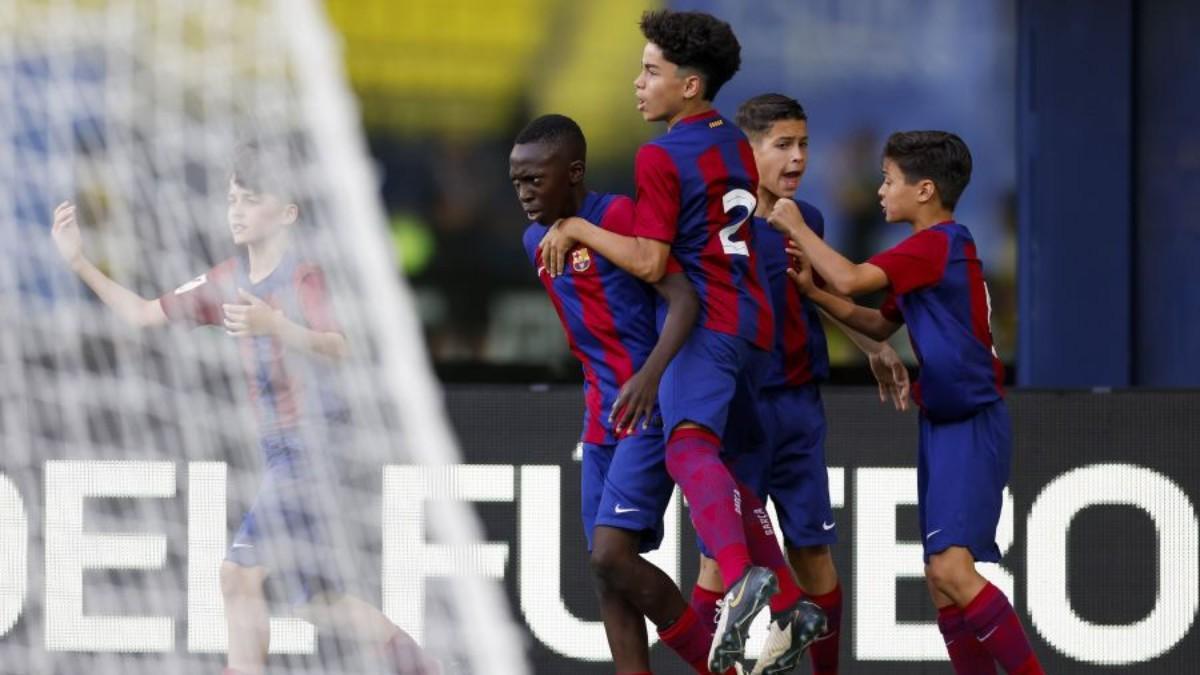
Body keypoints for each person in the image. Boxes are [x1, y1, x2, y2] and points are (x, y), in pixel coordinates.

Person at [50, 140, 436, 675]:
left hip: (316, 444)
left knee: (237, 576)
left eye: (251, 200)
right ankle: (424, 668)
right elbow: (141, 315)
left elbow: (339, 345)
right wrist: (78, 262)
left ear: (287, 213)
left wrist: (275, 325)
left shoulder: (304, 276)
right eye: (232, 199)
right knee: (315, 601)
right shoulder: (224, 280)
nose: (236, 210)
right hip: (278, 450)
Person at [538, 10, 814, 672]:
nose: (638, 83)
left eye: (651, 71)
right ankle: (788, 604)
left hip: (710, 323)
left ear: (689, 86)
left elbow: (651, 261)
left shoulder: (659, 154)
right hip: (755, 325)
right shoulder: (734, 143)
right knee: (732, 474)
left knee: (687, 445)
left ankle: (745, 583)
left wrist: (578, 227)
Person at [771, 130, 1044, 675]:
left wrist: (796, 225)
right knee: (941, 580)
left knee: (952, 572)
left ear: (924, 190)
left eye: (888, 180)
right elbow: (877, 322)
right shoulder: (927, 254)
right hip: (943, 422)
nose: (880, 191)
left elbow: (851, 278)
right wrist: (813, 293)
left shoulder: (936, 244)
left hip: (969, 421)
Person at [688, 93, 912, 675]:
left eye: (804, 144)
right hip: (739, 413)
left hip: (798, 408)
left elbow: (816, 295)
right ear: (748, 152)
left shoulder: (805, 219)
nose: (798, 158)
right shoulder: (715, 226)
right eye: (783, 145)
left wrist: (873, 344)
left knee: (813, 554)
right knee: (719, 566)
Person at [513, 113, 744, 675]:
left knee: (612, 553)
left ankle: (723, 669)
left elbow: (684, 299)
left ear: (573, 173)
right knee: (605, 572)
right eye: (517, 181)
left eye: (535, 179)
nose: (524, 193)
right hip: (601, 418)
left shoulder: (616, 215)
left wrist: (650, 376)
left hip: (649, 409)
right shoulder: (534, 241)